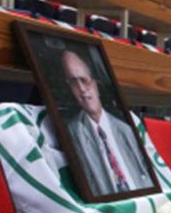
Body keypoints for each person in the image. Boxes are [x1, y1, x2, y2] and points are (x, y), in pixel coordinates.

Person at [61, 50, 151, 196]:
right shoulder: (71, 132)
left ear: (96, 84)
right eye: (73, 82)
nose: (82, 89)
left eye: (84, 80)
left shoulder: (126, 129)